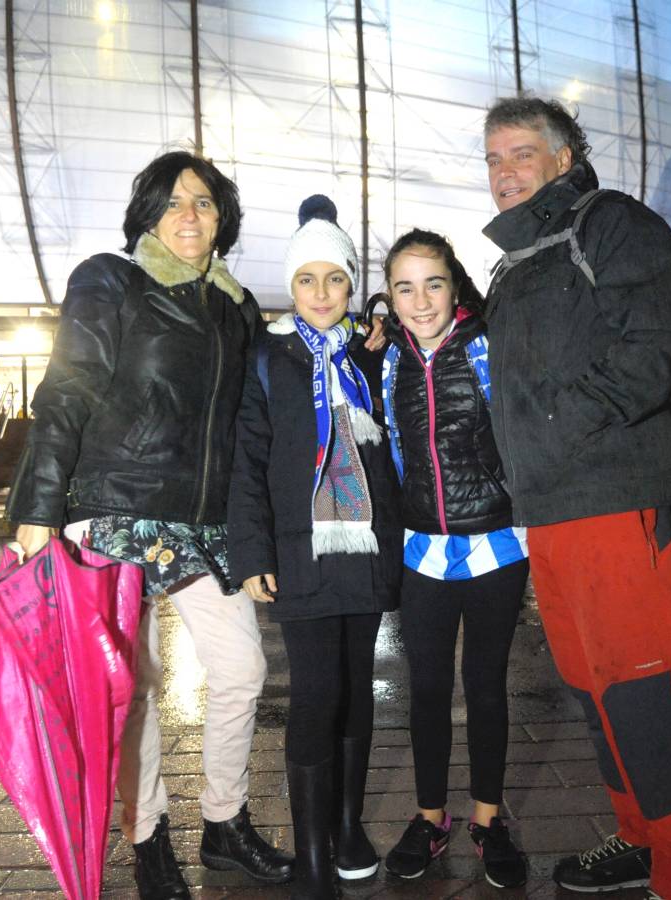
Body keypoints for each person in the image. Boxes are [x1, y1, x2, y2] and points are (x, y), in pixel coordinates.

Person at [6, 151, 291, 900]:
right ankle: (147, 833)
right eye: (171, 204)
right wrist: (38, 509)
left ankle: (226, 823)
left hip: (203, 521)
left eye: (201, 202)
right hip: (113, 509)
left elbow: (249, 419)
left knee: (241, 670)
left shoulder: (236, 307)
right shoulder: (112, 279)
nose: (188, 216)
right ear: (146, 217)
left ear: (222, 215)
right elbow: (67, 386)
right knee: (130, 686)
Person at [479, 95, 671, 899]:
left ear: (563, 157)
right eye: (492, 159)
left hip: (612, 501)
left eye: (522, 153)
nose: (504, 172)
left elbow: (670, 335)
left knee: (643, 699)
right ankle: (642, 838)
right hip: (549, 514)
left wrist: (569, 418)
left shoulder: (609, 223)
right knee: (597, 694)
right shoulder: (516, 262)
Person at [227, 195, 401, 900]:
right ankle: (313, 858)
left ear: (351, 286)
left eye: (335, 279)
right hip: (299, 553)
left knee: (357, 687)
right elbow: (247, 461)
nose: (321, 293)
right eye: (307, 280)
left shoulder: (370, 356)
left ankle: (348, 825)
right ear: (290, 287)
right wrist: (251, 552)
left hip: (365, 548)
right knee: (315, 693)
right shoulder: (268, 358)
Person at [376, 229, 530, 888]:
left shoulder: (492, 346)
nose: (420, 300)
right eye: (404, 287)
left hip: (496, 543)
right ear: (388, 296)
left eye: (432, 283)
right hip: (422, 551)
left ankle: (488, 821)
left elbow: (524, 439)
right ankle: (431, 816)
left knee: (486, 686)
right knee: (429, 691)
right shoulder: (384, 360)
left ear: (454, 285)